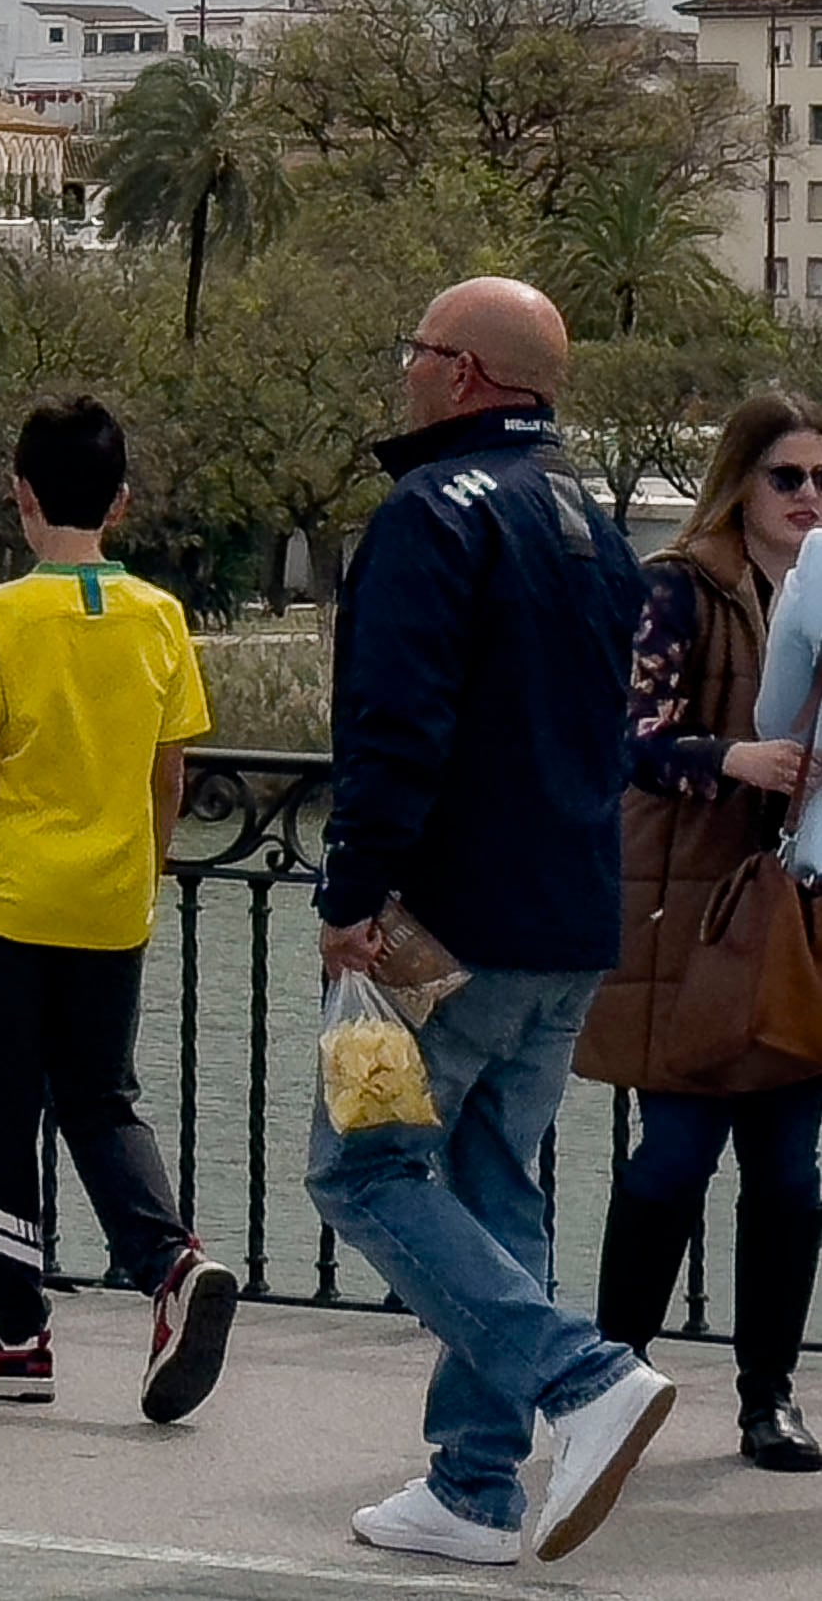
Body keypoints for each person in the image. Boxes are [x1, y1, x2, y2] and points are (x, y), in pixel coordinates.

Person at [306, 277, 665, 1564]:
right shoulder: (593, 520)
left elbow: (396, 726)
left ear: (462, 372)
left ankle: (580, 1377)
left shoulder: (428, 513)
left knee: (360, 1165)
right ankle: (473, 1481)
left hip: (439, 927)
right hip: (570, 917)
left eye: (416, 350)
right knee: (493, 1176)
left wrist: (353, 894)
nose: (403, 370)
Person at [0, 397, 238, 1420]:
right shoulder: (160, 616)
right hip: (114, 906)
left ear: (19, 495)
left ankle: (18, 1335)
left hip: (10, 903)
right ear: (123, 500)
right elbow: (169, 776)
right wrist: (143, 875)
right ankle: (168, 1259)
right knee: (102, 1099)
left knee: (4, 1115)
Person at [587, 393, 822, 1471]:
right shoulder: (681, 587)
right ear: (741, 480)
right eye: (788, 476)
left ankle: (767, 1393)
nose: (808, 496)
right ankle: (610, 1376)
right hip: (696, 913)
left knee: (787, 1173)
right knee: (672, 1158)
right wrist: (737, 758)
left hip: (797, 917)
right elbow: (629, 738)